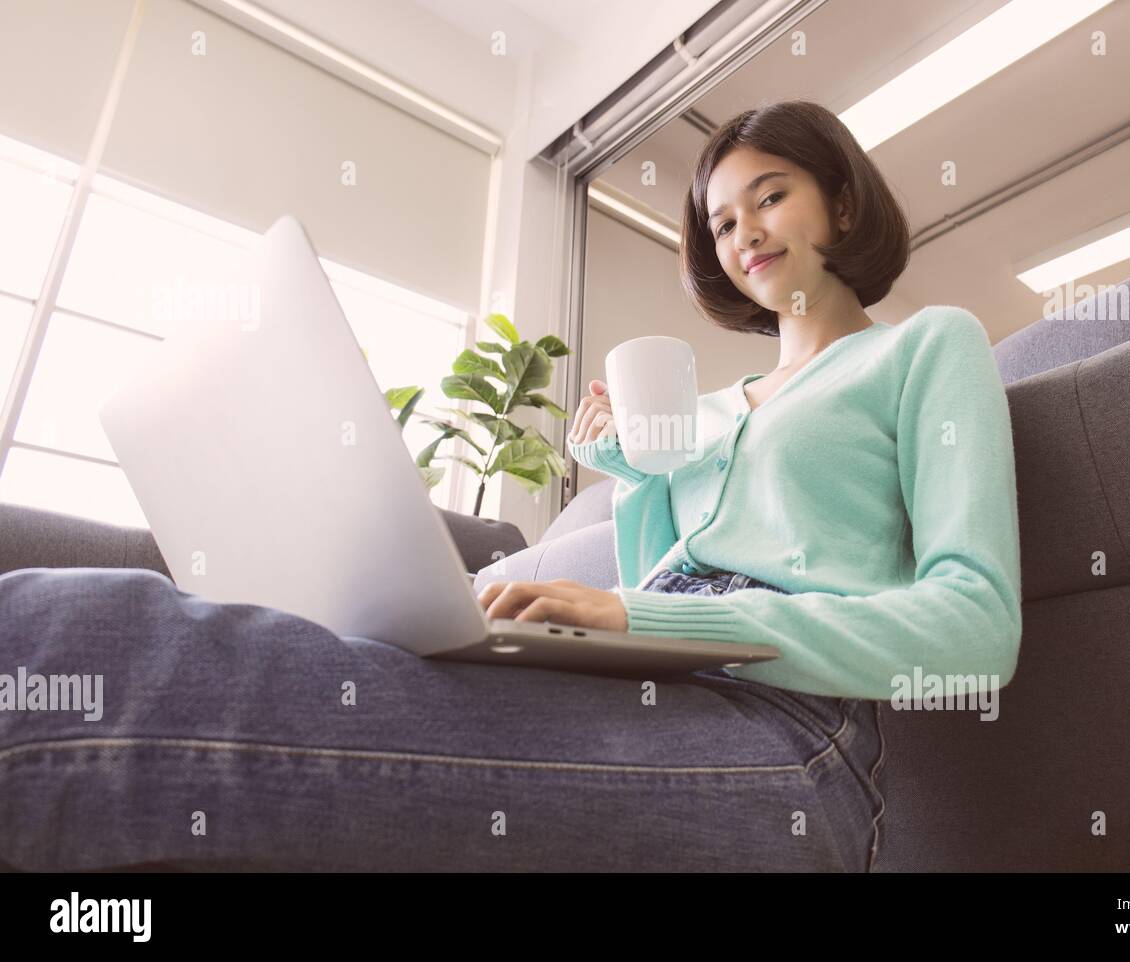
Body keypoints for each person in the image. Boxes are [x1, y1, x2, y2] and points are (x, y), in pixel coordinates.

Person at [0, 100, 1016, 873]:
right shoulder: (714, 400)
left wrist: (632, 617)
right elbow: (654, 589)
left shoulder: (930, 345)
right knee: (237, 639)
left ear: (841, 198)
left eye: (769, 193)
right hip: (653, 683)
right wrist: (630, 480)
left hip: (792, 729)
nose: (739, 230)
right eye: (716, 221)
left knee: (114, 644)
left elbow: (974, 627)